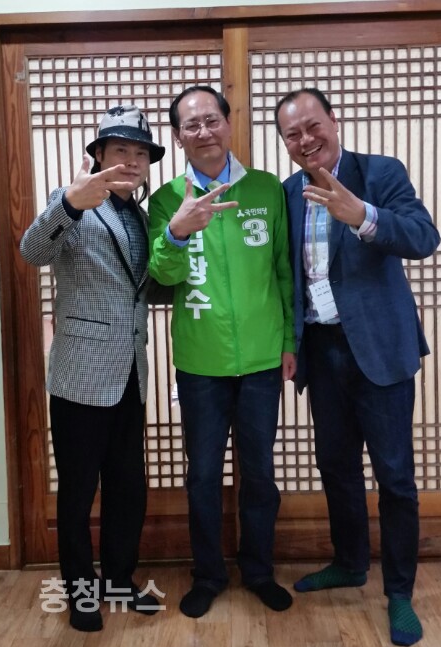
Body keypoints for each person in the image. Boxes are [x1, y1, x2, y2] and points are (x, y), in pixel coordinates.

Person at [274, 88, 440, 646]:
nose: (305, 140)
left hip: (379, 349)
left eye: (313, 126)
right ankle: (349, 561)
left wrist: (364, 217)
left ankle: (400, 592)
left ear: (334, 120)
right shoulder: (288, 193)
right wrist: (289, 340)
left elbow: (423, 237)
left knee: (394, 475)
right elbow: (290, 276)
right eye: (293, 134)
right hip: (322, 351)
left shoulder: (380, 173)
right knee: (335, 465)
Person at [148, 85, 296, 618]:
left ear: (229, 124)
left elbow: (284, 270)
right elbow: (161, 276)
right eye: (191, 124)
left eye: (211, 119)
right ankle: (208, 574)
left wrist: (289, 341)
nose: (203, 131)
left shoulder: (266, 188)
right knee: (204, 475)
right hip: (200, 362)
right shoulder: (166, 198)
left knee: (259, 473)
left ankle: (258, 570)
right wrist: (177, 232)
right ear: (178, 137)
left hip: (261, 359)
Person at [20, 105, 165, 632]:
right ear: (99, 155)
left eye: (141, 153)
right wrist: (68, 205)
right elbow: (32, 251)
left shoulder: (142, 218)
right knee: (79, 493)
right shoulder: (75, 203)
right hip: (80, 375)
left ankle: (120, 581)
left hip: (130, 374)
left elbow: (141, 288)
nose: (131, 160)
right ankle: (81, 591)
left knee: (128, 488)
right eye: (120, 149)